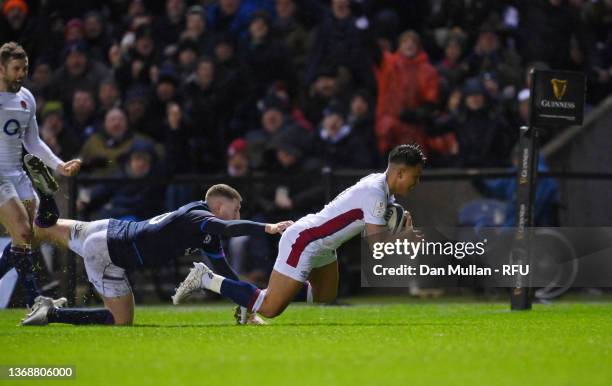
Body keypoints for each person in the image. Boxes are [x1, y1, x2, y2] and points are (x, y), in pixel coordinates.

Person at [173, 144, 425, 319]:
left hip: (323, 245)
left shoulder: (379, 187)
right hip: (306, 240)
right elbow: (376, 246)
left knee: (324, 298)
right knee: (270, 309)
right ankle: (206, 278)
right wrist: (405, 238)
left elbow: (379, 221)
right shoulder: (375, 193)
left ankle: (249, 298)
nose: (417, 183)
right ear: (400, 172)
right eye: (415, 176)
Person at [20, 184, 293, 326]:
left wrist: (244, 304)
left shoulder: (204, 230)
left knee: (37, 230)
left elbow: (224, 271)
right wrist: (267, 227)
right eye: (236, 210)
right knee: (120, 321)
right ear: (219, 206)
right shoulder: (199, 217)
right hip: (109, 252)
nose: (238, 216)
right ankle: (52, 313)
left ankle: (46, 204)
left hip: (108, 228)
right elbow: (229, 228)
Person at [0, 42, 81, 307]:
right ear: (1, 68)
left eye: (25, 68)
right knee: (22, 231)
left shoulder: (27, 98)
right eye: (16, 68)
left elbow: (33, 142)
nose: (21, 73)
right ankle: (36, 300)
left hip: (18, 173)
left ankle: (35, 301)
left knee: (31, 236)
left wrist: (59, 166)